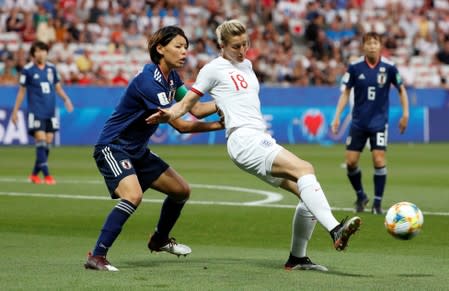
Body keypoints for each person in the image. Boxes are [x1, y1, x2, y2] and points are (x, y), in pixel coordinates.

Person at [147, 19, 362, 272]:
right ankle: (336, 229)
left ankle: (297, 259)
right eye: (236, 46)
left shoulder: (247, 65)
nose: (242, 50)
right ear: (222, 46)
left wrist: (225, 105)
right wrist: (170, 114)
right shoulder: (213, 69)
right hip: (244, 139)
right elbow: (189, 106)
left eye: (245, 44)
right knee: (305, 169)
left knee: (307, 194)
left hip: (257, 137)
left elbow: (229, 100)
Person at [84, 26, 224, 272]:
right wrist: (219, 124)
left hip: (137, 150)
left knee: (181, 191)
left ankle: (160, 239)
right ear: (160, 48)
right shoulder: (149, 81)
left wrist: (225, 101)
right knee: (133, 196)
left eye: (186, 48)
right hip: (114, 146)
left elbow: (197, 109)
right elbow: (180, 124)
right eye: (178, 46)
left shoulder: (172, 79)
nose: (184, 53)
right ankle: (97, 256)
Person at [331, 32, 409, 215]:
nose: (372, 46)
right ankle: (360, 195)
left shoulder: (389, 67)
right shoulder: (355, 67)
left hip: (379, 123)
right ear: (363, 46)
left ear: (380, 46)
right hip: (358, 122)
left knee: (379, 159)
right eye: (369, 43)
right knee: (350, 162)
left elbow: (402, 90)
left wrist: (405, 113)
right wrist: (336, 117)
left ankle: (377, 203)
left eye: (375, 43)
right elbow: (345, 93)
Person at [11, 40, 74, 185]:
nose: (41, 53)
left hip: (50, 111)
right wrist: (15, 111)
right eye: (38, 51)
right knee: (41, 141)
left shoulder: (52, 69)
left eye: (43, 50)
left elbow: (57, 87)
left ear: (46, 52)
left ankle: (34, 175)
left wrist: (66, 99)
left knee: (48, 143)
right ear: (33, 54)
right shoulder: (27, 70)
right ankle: (47, 176)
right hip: (36, 111)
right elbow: (21, 93)